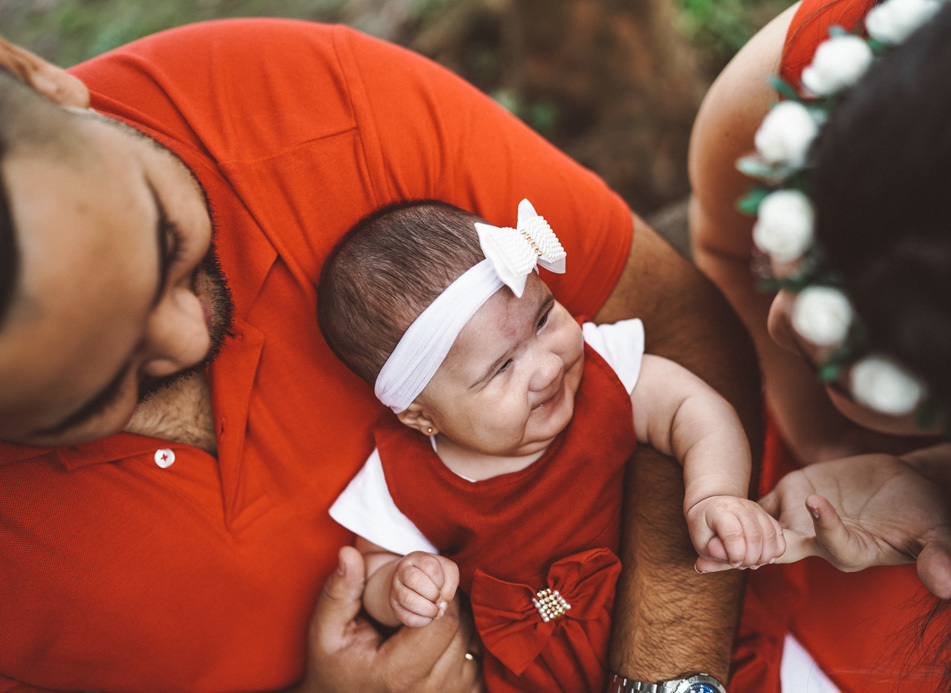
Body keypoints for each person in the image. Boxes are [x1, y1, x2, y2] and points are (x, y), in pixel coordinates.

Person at [0, 17, 761, 693]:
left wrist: (667, 677)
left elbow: (679, 330)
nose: (192, 335)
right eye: (102, 390)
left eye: (166, 240)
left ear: (27, 74)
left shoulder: (303, 100)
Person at [690, 0, 951, 690]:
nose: (779, 323)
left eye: (847, 370)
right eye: (781, 263)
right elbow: (721, 242)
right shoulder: (835, 53)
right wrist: (822, 431)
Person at [316, 199, 783, 691]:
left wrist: (715, 494)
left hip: (683, 637)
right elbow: (373, 566)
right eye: (501, 368)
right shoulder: (403, 475)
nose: (547, 367)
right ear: (421, 415)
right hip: (530, 677)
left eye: (542, 320)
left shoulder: (604, 374)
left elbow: (696, 409)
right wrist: (401, 583)